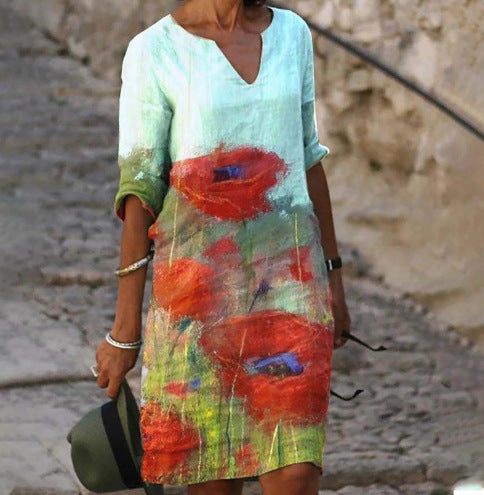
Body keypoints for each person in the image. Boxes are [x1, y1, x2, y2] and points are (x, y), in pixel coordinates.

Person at [95, 0, 351, 493]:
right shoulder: (153, 51)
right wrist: (125, 331)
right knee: (213, 480)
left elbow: (308, 156)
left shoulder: (292, 35)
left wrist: (333, 276)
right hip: (196, 300)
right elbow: (139, 190)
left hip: (291, 289)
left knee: (297, 471)